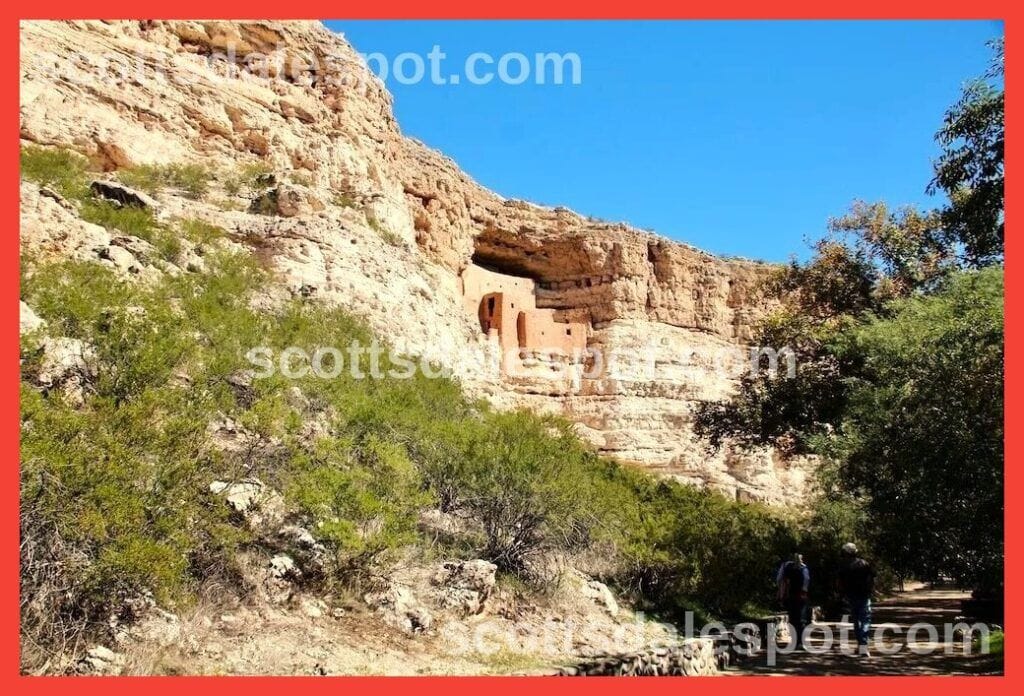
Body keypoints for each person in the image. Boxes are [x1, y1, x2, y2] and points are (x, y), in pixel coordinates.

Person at [838, 542, 875, 657]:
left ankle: (861, 645)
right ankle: (863, 645)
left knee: (857, 621)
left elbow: (839, 583)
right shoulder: (864, 564)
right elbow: (872, 579)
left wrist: (841, 594)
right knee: (865, 620)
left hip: (851, 597)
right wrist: (871, 591)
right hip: (864, 596)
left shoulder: (844, 566)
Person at [776, 552, 810, 648]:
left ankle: (795, 641)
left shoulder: (787, 568)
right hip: (801, 596)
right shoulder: (804, 569)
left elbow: (781, 581)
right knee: (801, 619)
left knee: (794, 619)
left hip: (791, 596)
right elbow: (806, 582)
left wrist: (781, 595)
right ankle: (800, 642)